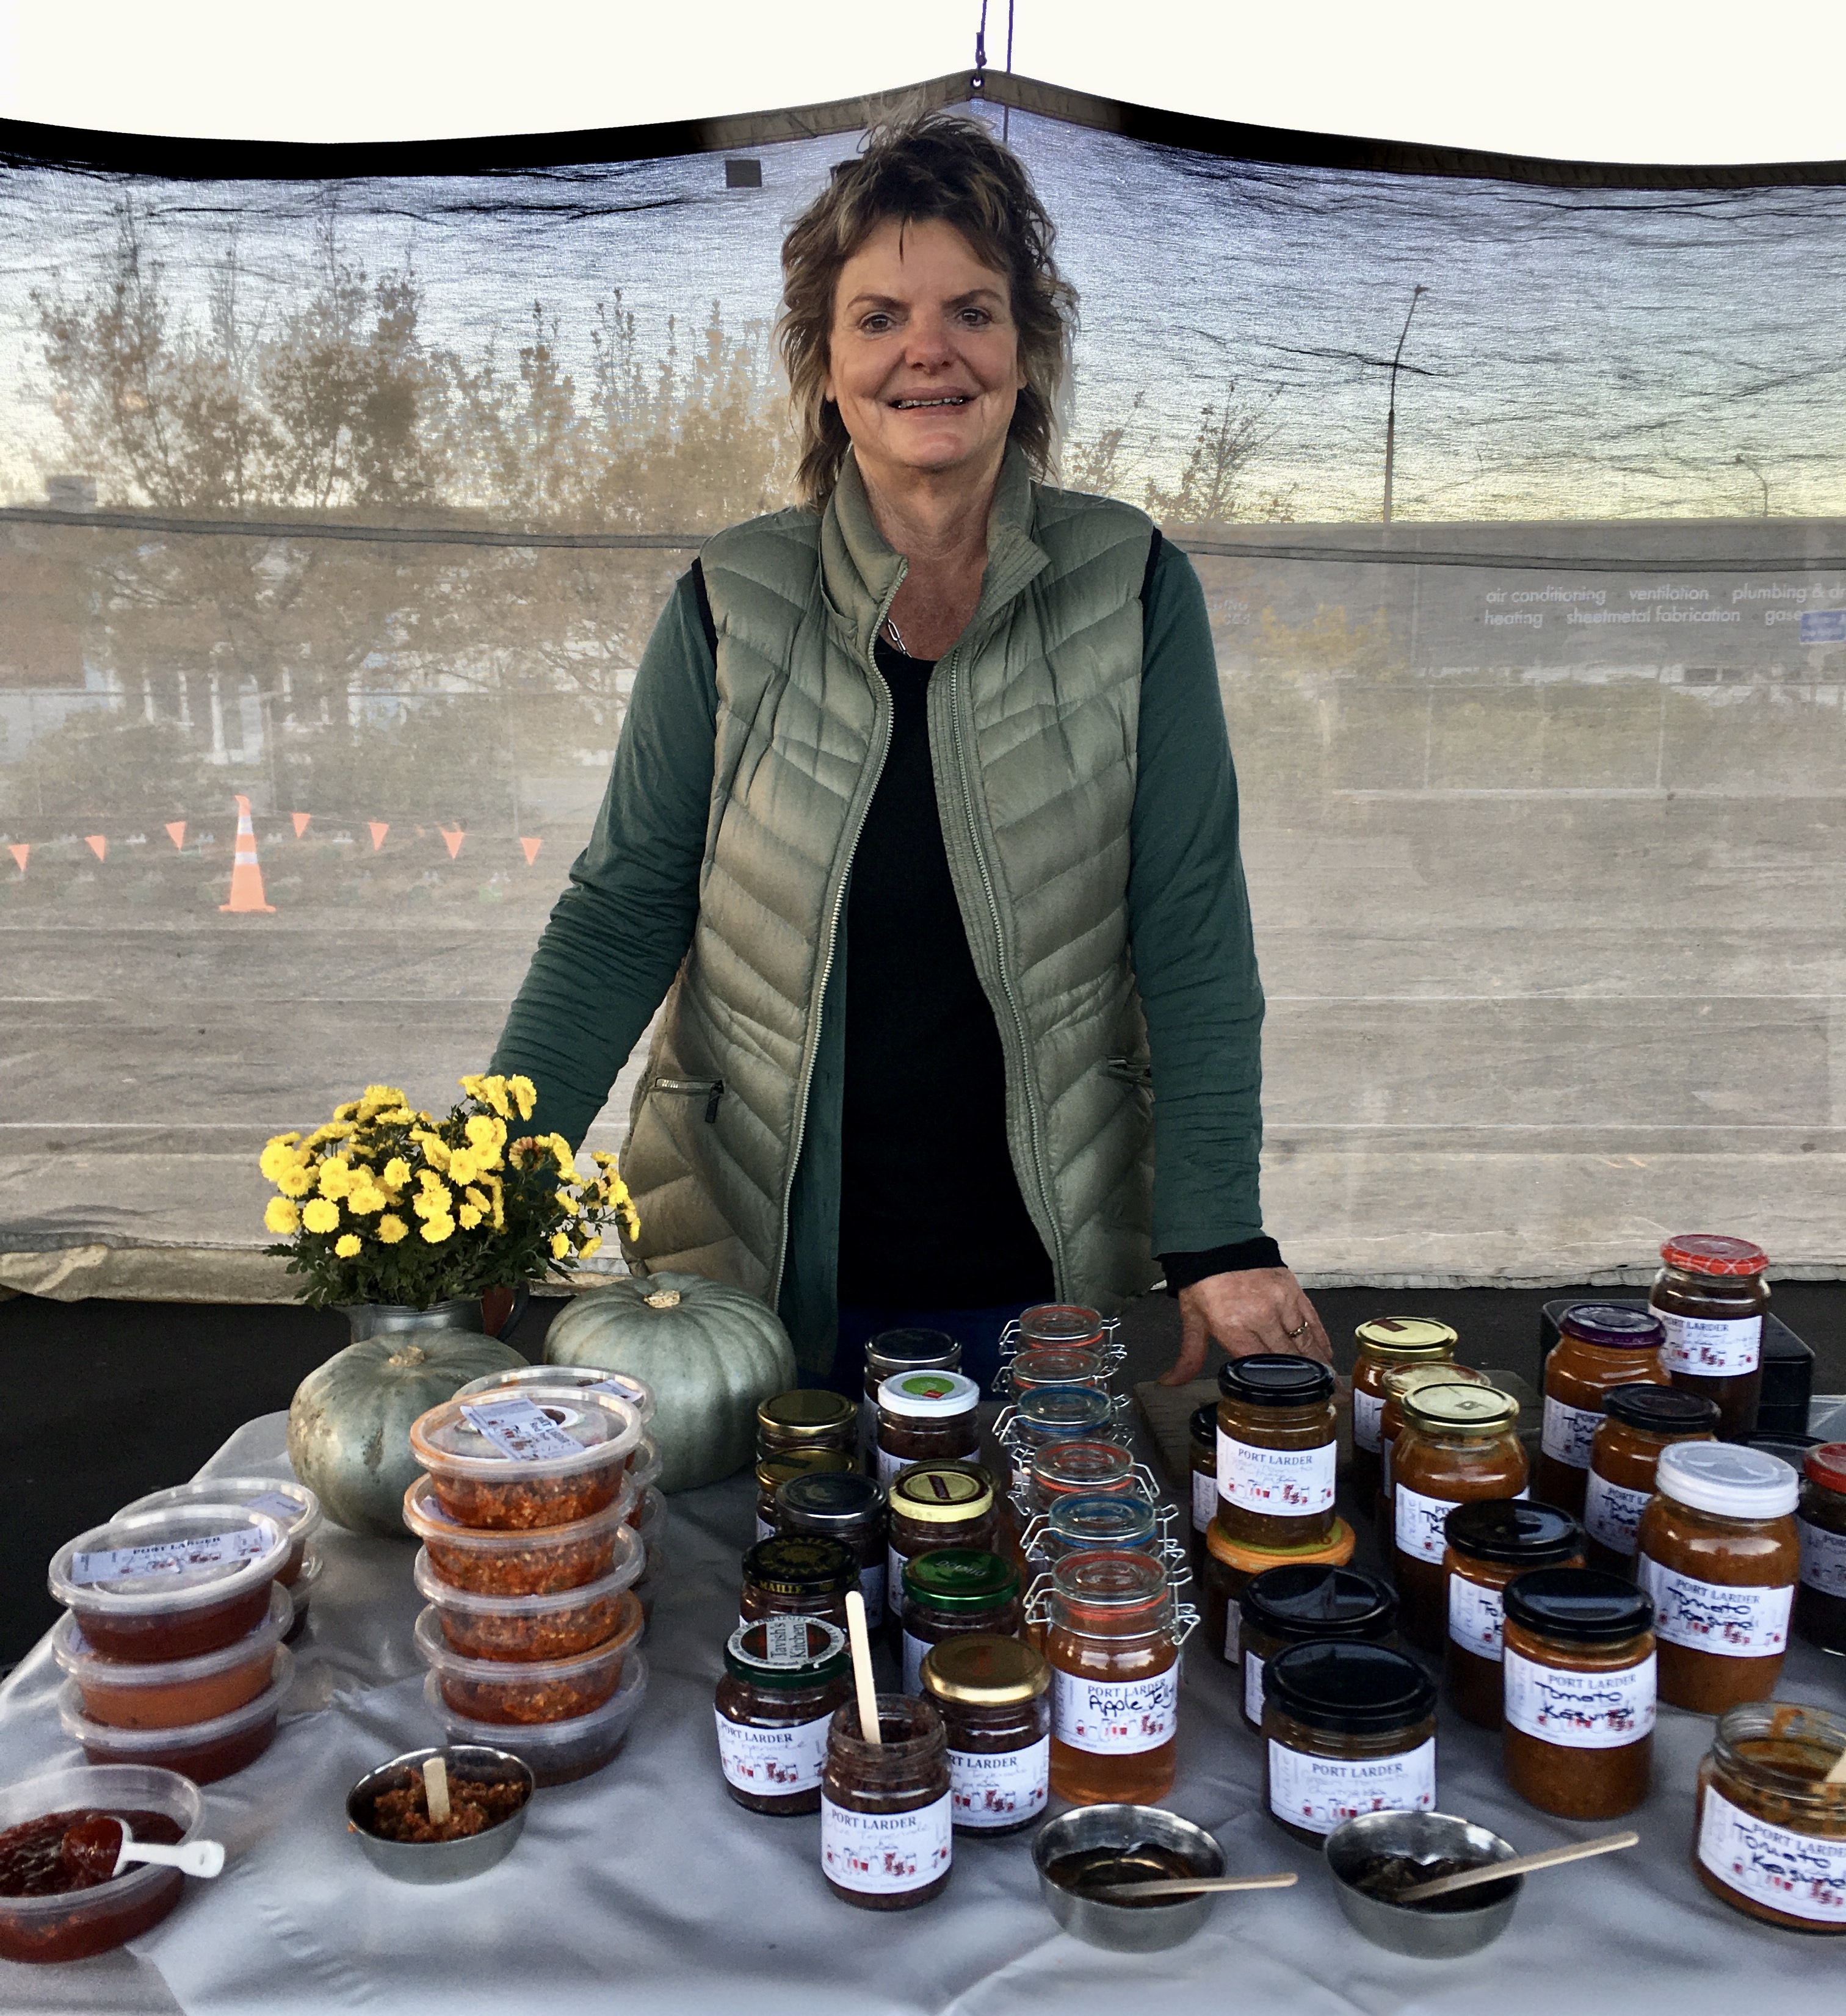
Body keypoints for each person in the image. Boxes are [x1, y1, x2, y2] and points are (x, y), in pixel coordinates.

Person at [488, 109, 1330, 1392]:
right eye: (879, 317)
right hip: (751, 1270)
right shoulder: (730, 598)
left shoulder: (1131, 584)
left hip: (1041, 1271)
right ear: (826, 366)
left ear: (1025, 351)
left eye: (971, 312)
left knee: (1042, 1526)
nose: (926, 351)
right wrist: (488, 1193)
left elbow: (1192, 923)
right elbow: (621, 914)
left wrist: (1219, 1230)